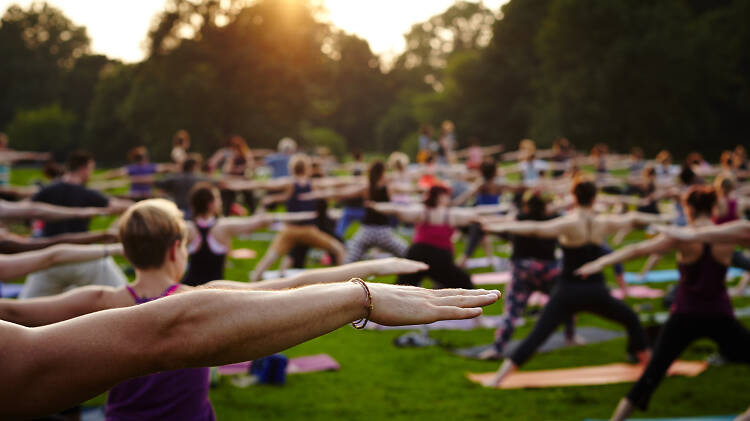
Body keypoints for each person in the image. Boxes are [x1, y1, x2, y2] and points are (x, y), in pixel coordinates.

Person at [0, 198, 501, 420]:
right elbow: (292, 283)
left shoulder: (100, 301)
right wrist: (370, 270)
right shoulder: (200, 295)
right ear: (179, 248)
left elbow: (21, 314)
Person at [576, 186, 750, 421]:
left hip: (685, 315)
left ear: (688, 209)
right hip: (719, 314)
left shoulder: (682, 238)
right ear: (712, 208)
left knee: (652, 375)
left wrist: (601, 263)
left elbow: (638, 249)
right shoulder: (726, 237)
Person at [480, 178, 659, 387]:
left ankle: (497, 379)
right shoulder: (603, 222)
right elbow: (633, 218)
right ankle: (652, 370)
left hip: (567, 292)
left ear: (574, 197)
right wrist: (667, 217)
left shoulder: (569, 223)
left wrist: (495, 225)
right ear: (594, 198)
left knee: (537, 335)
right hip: (596, 290)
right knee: (631, 319)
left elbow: (535, 228)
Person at [476, 191, 578, 360]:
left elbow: (504, 227)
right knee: (567, 302)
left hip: (523, 272)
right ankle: (570, 337)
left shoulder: (520, 219)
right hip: (548, 272)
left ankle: (497, 348)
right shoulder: (551, 221)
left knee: (512, 311)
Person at [23, 151, 132, 298]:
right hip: (83, 258)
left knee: (26, 312)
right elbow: (125, 207)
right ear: (83, 169)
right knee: (126, 298)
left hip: (50, 260)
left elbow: (26, 211)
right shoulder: (87, 193)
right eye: (90, 169)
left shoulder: (47, 190)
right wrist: (115, 227)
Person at [370, 185, 504, 290]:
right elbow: (477, 212)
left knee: (400, 288)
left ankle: (382, 319)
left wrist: (376, 206)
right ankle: (474, 317)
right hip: (438, 258)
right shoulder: (448, 214)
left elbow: (396, 210)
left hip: (419, 255)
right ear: (440, 197)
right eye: (446, 195)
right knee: (464, 282)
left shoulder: (422, 211)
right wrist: (502, 207)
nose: (448, 198)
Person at [251, 154, 346, 281]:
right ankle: (345, 283)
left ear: (292, 168)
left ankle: (252, 282)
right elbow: (336, 184)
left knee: (268, 260)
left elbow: (268, 185)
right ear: (307, 168)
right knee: (339, 250)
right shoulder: (312, 184)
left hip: (291, 230)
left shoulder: (290, 183)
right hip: (308, 230)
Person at [344, 161, 408, 263]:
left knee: (350, 260)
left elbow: (347, 194)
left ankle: (342, 277)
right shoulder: (388, 188)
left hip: (367, 231)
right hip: (383, 232)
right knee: (407, 253)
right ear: (382, 172)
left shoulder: (367, 187)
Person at [97, 146, 175, 199]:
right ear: (145, 157)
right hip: (146, 195)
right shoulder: (150, 167)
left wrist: (103, 176)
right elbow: (165, 168)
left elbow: (117, 173)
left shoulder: (131, 168)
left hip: (134, 195)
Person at [154, 154, 212, 218]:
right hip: (194, 213)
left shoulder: (174, 178)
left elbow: (157, 182)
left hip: (178, 211)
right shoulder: (200, 179)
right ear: (193, 166)